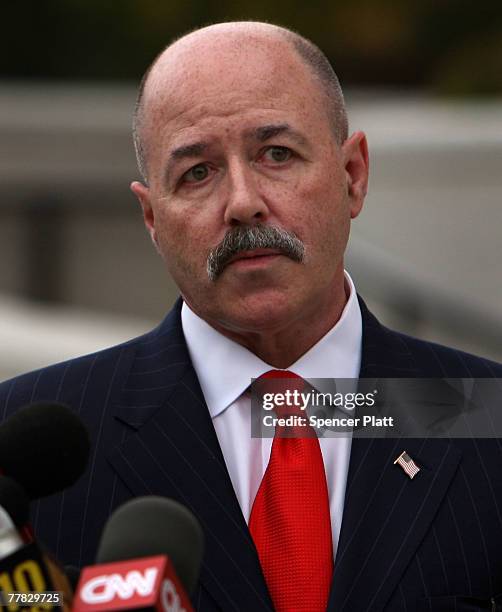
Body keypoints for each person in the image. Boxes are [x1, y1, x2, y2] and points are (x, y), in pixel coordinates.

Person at [1, 21, 502, 612]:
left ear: (352, 176)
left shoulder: (482, 414)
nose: (242, 202)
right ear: (152, 220)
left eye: (276, 154)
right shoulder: (22, 462)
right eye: (197, 172)